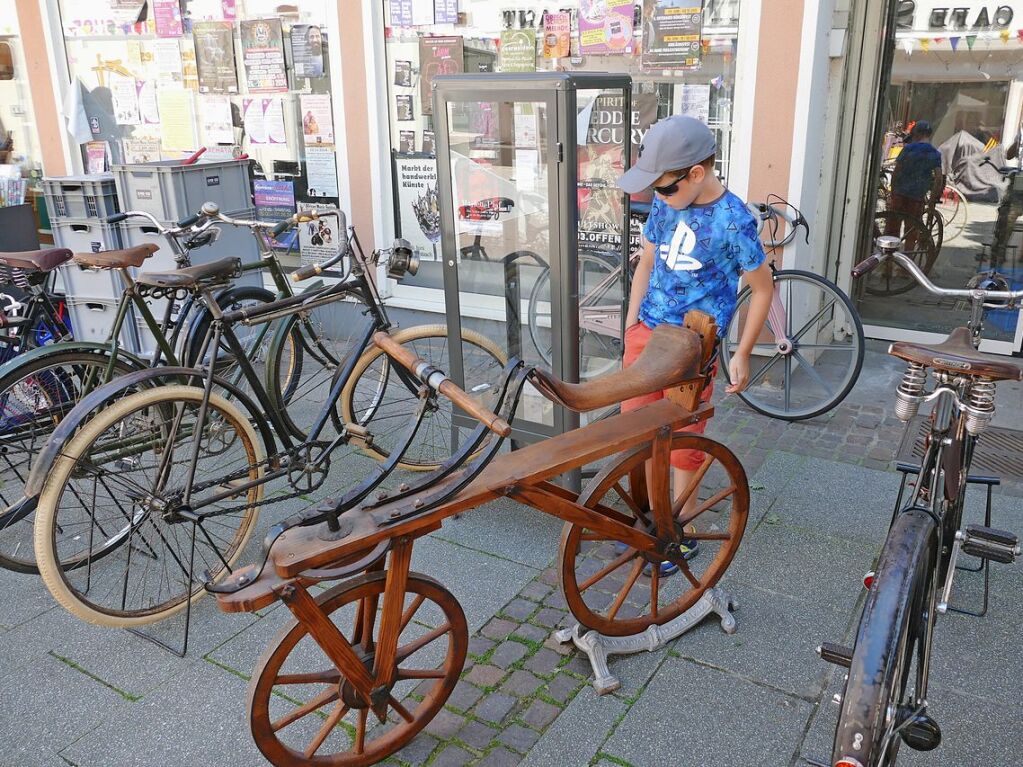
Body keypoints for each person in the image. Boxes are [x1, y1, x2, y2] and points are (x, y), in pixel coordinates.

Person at [616, 115, 774, 574]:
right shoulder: (667, 205)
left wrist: (742, 352)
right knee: (641, 432)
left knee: (682, 441)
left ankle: (677, 528)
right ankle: (651, 517)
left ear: (697, 173)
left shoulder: (735, 219)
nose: (658, 197)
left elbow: (763, 288)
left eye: (664, 188)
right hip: (647, 335)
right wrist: (631, 322)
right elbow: (646, 263)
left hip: (692, 345)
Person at [886, 121, 943, 249]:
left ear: (916, 134)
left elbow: (896, 171)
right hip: (917, 198)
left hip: (900, 195)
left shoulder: (908, 149)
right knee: (911, 232)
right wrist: (932, 199)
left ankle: (887, 263)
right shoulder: (934, 153)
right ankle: (905, 265)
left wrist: (893, 191)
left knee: (892, 231)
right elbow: (938, 178)